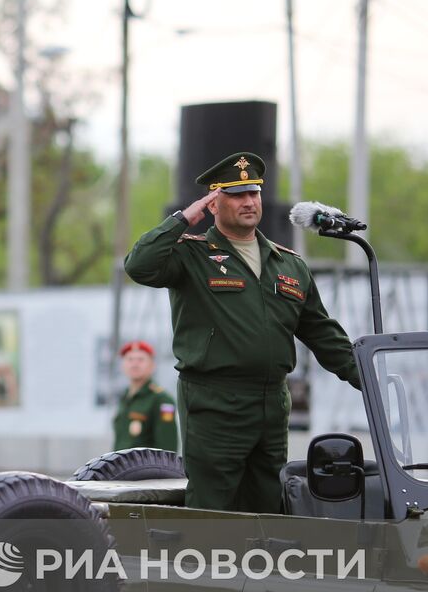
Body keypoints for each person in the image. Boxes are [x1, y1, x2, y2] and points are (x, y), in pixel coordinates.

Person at [124, 152, 361, 513]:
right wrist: (184, 219)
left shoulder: (289, 263)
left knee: (268, 508)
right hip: (215, 403)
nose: (249, 202)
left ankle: (262, 571)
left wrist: (367, 378)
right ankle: (204, 570)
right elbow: (139, 265)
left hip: (271, 404)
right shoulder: (193, 255)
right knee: (213, 511)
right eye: (236, 194)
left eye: (254, 193)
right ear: (213, 202)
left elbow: (322, 333)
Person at [112, 340, 178, 452]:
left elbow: (167, 447)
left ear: (152, 366)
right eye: (130, 359)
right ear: (123, 365)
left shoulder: (162, 400)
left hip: (145, 468)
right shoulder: (125, 397)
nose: (134, 364)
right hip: (121, 467)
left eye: (141, 360)